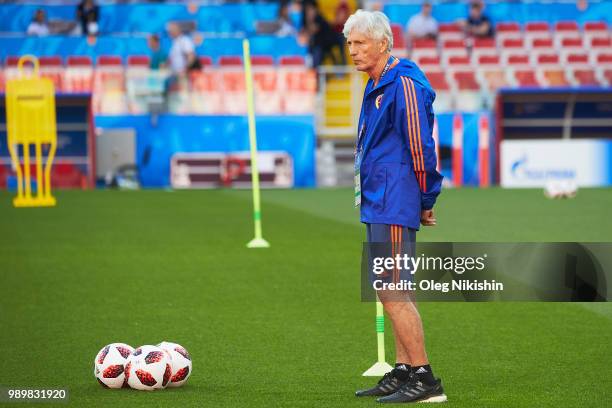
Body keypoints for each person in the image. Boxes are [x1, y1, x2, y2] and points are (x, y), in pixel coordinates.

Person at [343, 10, 445, 403]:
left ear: (383, 43)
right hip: (379, 199)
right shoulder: (378, 83)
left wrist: (426, 197)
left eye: (360, 43)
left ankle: (425, 378)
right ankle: (403, 370)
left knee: (393, 288)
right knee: (389, 288)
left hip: (395, 199)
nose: (352, 51)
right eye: (349, 43)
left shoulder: (402, 84)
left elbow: (421, 146)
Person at [303, 1, 346, 67]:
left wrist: (308, 20)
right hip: (319, 45)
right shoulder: (306, 19)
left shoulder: (319, 18)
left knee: (317, 53)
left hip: (327, 43)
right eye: (307, 10)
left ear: (315, 10)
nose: (309, 12)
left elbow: (313, 29)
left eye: (310, 9)